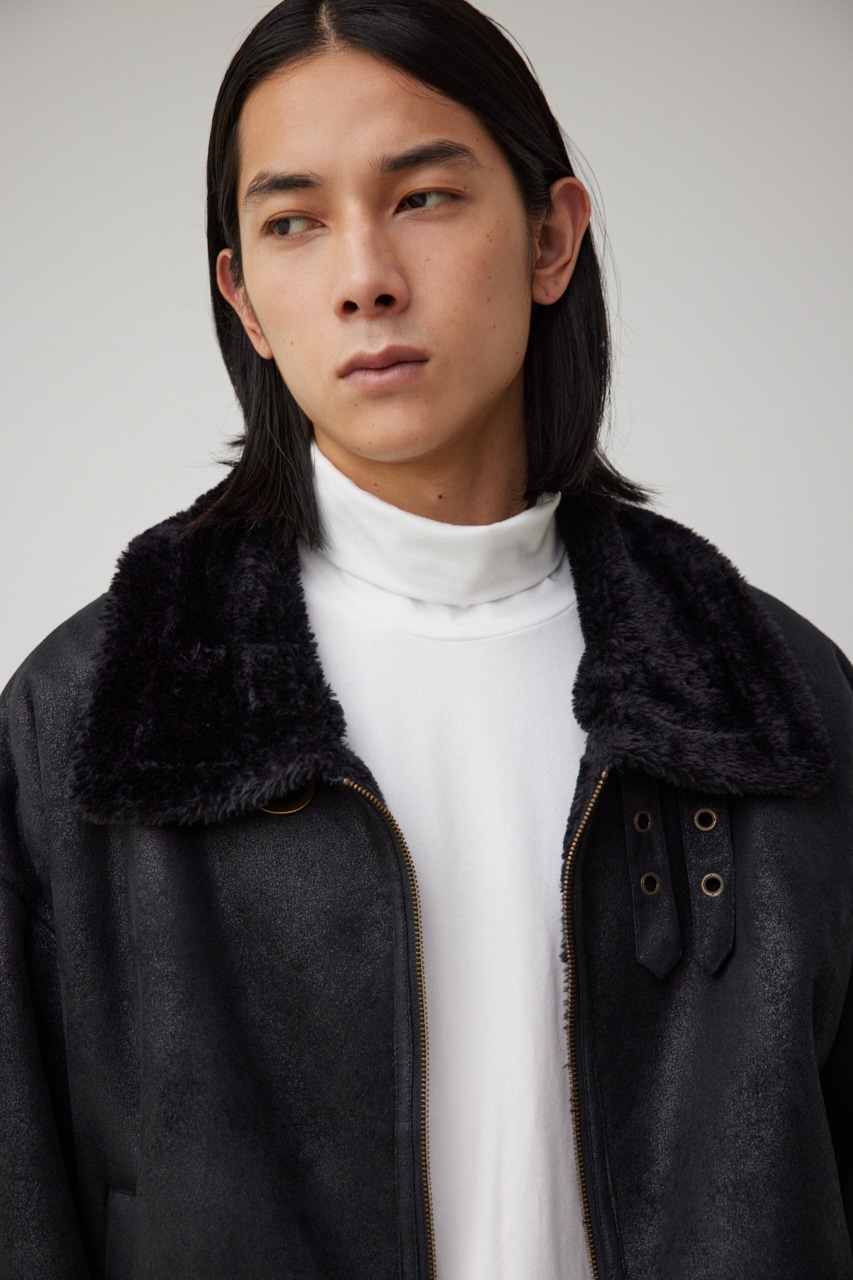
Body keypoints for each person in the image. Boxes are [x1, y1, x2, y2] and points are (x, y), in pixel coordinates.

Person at [1, 0, 851, 1276]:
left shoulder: (778, 699)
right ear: (244, 298)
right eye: (292, 222)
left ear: (551, 238)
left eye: (425, 198)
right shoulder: (88, 718)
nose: (364, 277)